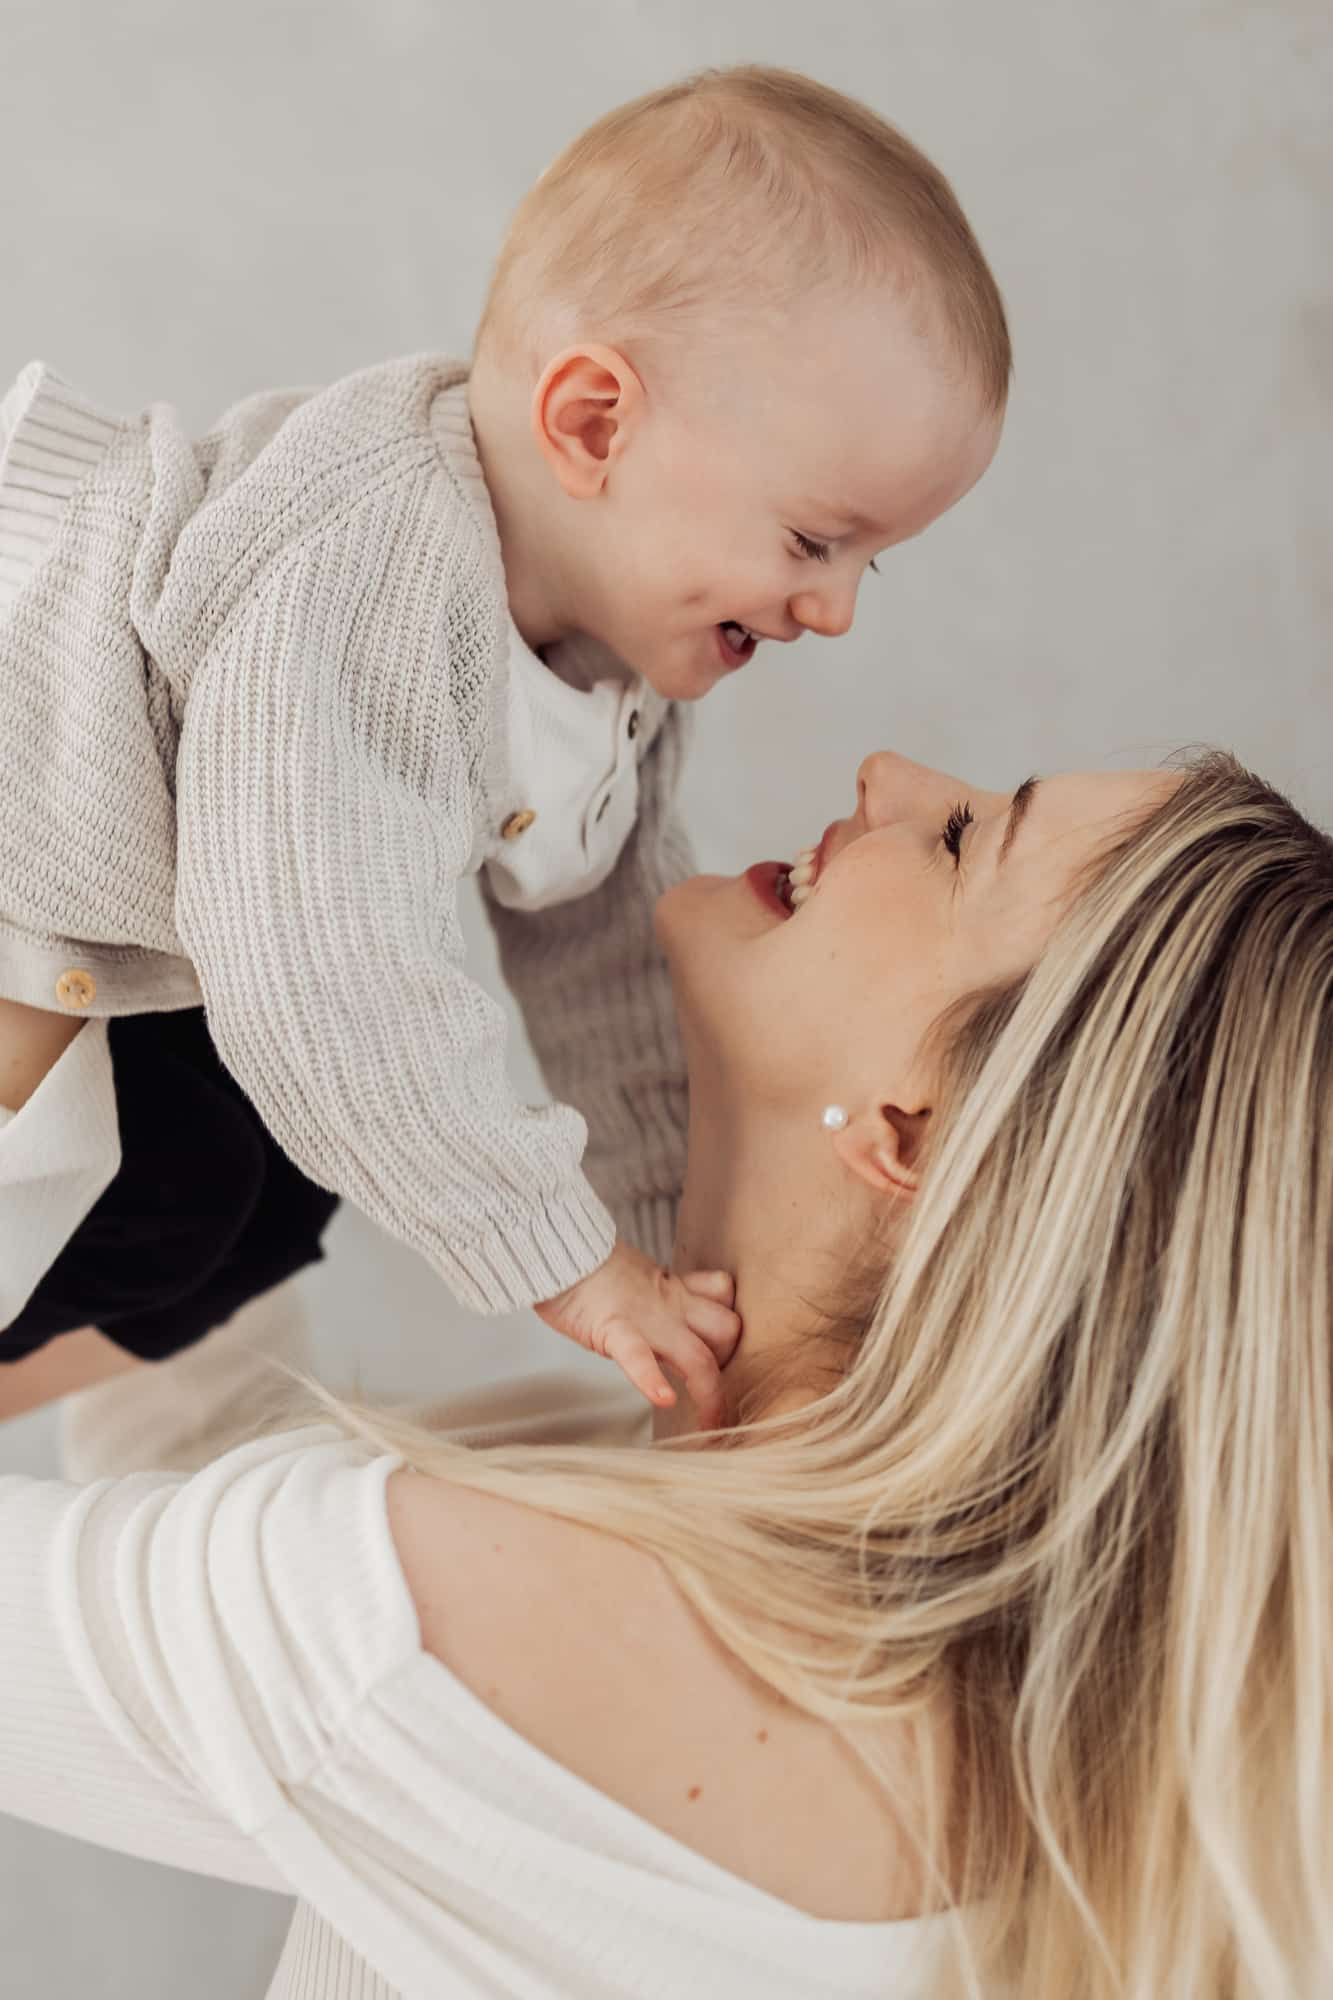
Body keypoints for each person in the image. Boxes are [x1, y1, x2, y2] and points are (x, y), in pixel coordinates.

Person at [2, 744, 1328, 2000]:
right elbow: (220, 1530)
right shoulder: (1002, 1743)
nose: (890, 776)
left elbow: (277, 1630)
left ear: (916, 1135)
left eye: (964, 837)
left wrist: (54, 891)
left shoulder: (574, 1615)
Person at [0, 64, 1008, 1423]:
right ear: (593, 424)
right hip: (28, 826)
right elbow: (318, 970)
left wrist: (679, 1251)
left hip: (116, 925)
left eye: (865, 564)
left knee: (258, 1200)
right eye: (811, 541)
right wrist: (566, 1260)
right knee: (157, 1151)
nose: (830, 610)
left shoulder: (616, 668)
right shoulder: (375, 565)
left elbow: (614, 968)